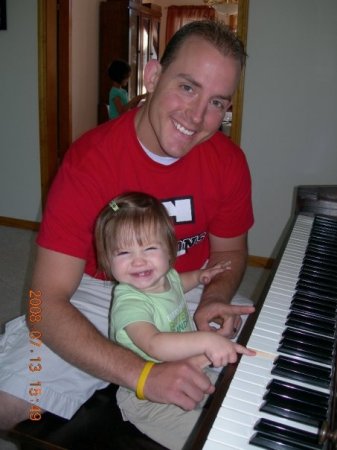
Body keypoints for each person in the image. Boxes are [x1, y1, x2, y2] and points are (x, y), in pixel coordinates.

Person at [0, 19, 255, 433]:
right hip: (98, 291)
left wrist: (214, 298)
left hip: (185, 288)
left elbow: (229, 251)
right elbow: (41, 304)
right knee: (9, 403)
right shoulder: (90, 160)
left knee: (257, 392)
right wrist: (142, 374)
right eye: (187, 87)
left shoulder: (228, 163)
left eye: (217, 102)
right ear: (154, 76)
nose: (196, 116)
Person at [95, 192, 255, 449]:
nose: (138, 260)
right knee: (210, 437)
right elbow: (154, 344)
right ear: (107, 260)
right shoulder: (129, 303)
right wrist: (206, 340)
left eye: (149, 248)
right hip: (150, 398)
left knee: (238, 405)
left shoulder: (165, 276)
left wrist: (201, 276)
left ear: (170, 250)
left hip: (189, 368)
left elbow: (178, 282)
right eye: (123, 252)